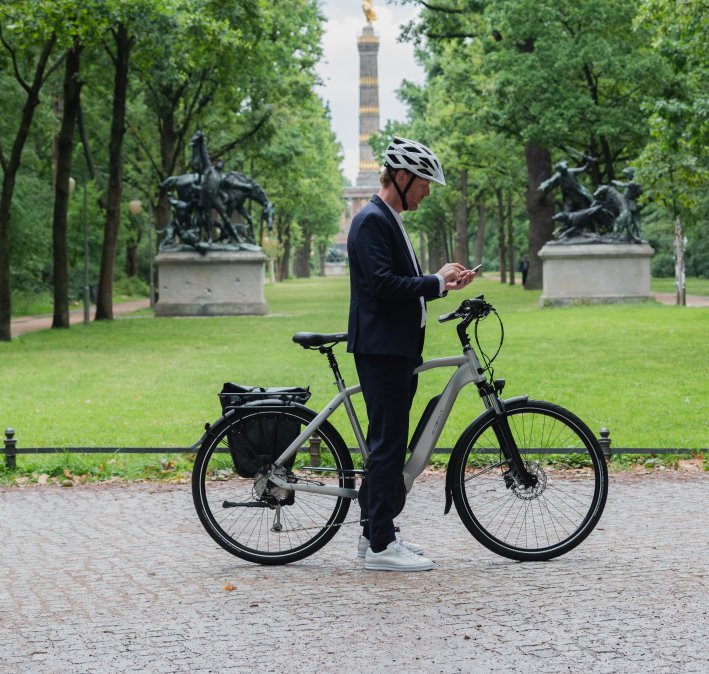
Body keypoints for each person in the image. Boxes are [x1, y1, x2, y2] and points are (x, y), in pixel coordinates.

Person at [347, 136, 477, 572]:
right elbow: (383, 285)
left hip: (395, 348)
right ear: (401, 178)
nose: (426, 192)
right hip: (383, 350)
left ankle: (373, 534)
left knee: (389, 445)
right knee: (387, 447)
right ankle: (382, 546)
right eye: (423, 183)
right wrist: (434, 280)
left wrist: (442, 285)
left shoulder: (387, 218)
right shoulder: (371, 221)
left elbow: (399, 290)